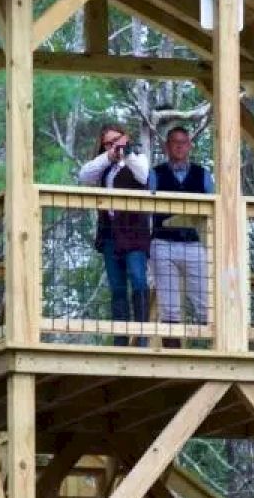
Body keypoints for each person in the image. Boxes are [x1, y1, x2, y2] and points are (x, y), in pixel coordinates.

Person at [78, 124, 151, 346]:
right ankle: (120, 339)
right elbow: (84, 175)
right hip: (110, 234)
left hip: (134, 233)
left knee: (138, 282)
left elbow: (143, 174)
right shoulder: (104, 167)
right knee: (117, 287)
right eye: (108, 142)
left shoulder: (137, 157)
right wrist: (108, 156)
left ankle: (141, 338)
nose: (114, 145)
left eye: (117, 139)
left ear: (126, 138)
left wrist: (125, 153)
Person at [148, 127, 213, 348]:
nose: (179, 146)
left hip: (194, 243)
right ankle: (172, 354)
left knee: (205, 301)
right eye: (174, 142)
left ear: (190, 146)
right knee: (169, 305)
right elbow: (148, 207)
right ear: (166, 147)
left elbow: (212, 208)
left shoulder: (203, 174)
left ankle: (214, 351)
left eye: (184, 142)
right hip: (162, 243)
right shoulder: (155, 174)